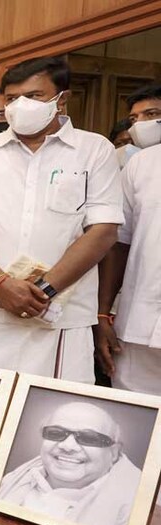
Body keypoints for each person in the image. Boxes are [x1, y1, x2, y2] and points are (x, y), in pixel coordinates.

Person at [0, 56, 122, 383]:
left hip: (58, 316)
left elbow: (103, 231)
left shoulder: (94, 150)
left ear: (62, 99)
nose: (21, 105)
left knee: (51, 417)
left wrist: (42, 290)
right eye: (12, 98)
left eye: (35, 96)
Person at [95, 84, 161, 394]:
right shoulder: (140, 164)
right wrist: (103, 312)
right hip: (139, 323)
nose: (142, 125)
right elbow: (118, 242)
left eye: (152, 114)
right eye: (135, 118)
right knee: (136, 425)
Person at [0, 401, 140, 525]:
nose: (67, 446)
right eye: (56, 433)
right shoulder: (10, 481)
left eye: (89, 438)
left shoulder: (137, 511)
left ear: (114, 453)